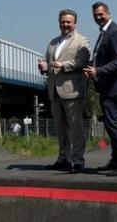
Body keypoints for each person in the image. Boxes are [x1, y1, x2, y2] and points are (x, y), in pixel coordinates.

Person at [83, 2, 117, 177]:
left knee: (112, 124)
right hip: (105, 86)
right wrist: (91, 67)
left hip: (113, 87)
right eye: (95, 15)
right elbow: (102, 59)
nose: (98, 17)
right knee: (110, 124)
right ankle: (116, 159)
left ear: (108, 13)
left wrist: (98, 71)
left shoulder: (115, 32)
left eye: (100, 14)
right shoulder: (104, 33)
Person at [38, 9, 90, 173]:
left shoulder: (82, 41)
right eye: (62, 22)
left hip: (72, 91)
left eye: (68, 22)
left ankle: (78, 161)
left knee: (75, 128)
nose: (65, 25)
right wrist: (44, 67)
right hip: (54, 91)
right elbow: (50, 64)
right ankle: (63, 159)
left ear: (75, 23)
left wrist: (64, 65)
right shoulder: (53, 42)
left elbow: (82, 60)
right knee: (60, 129)